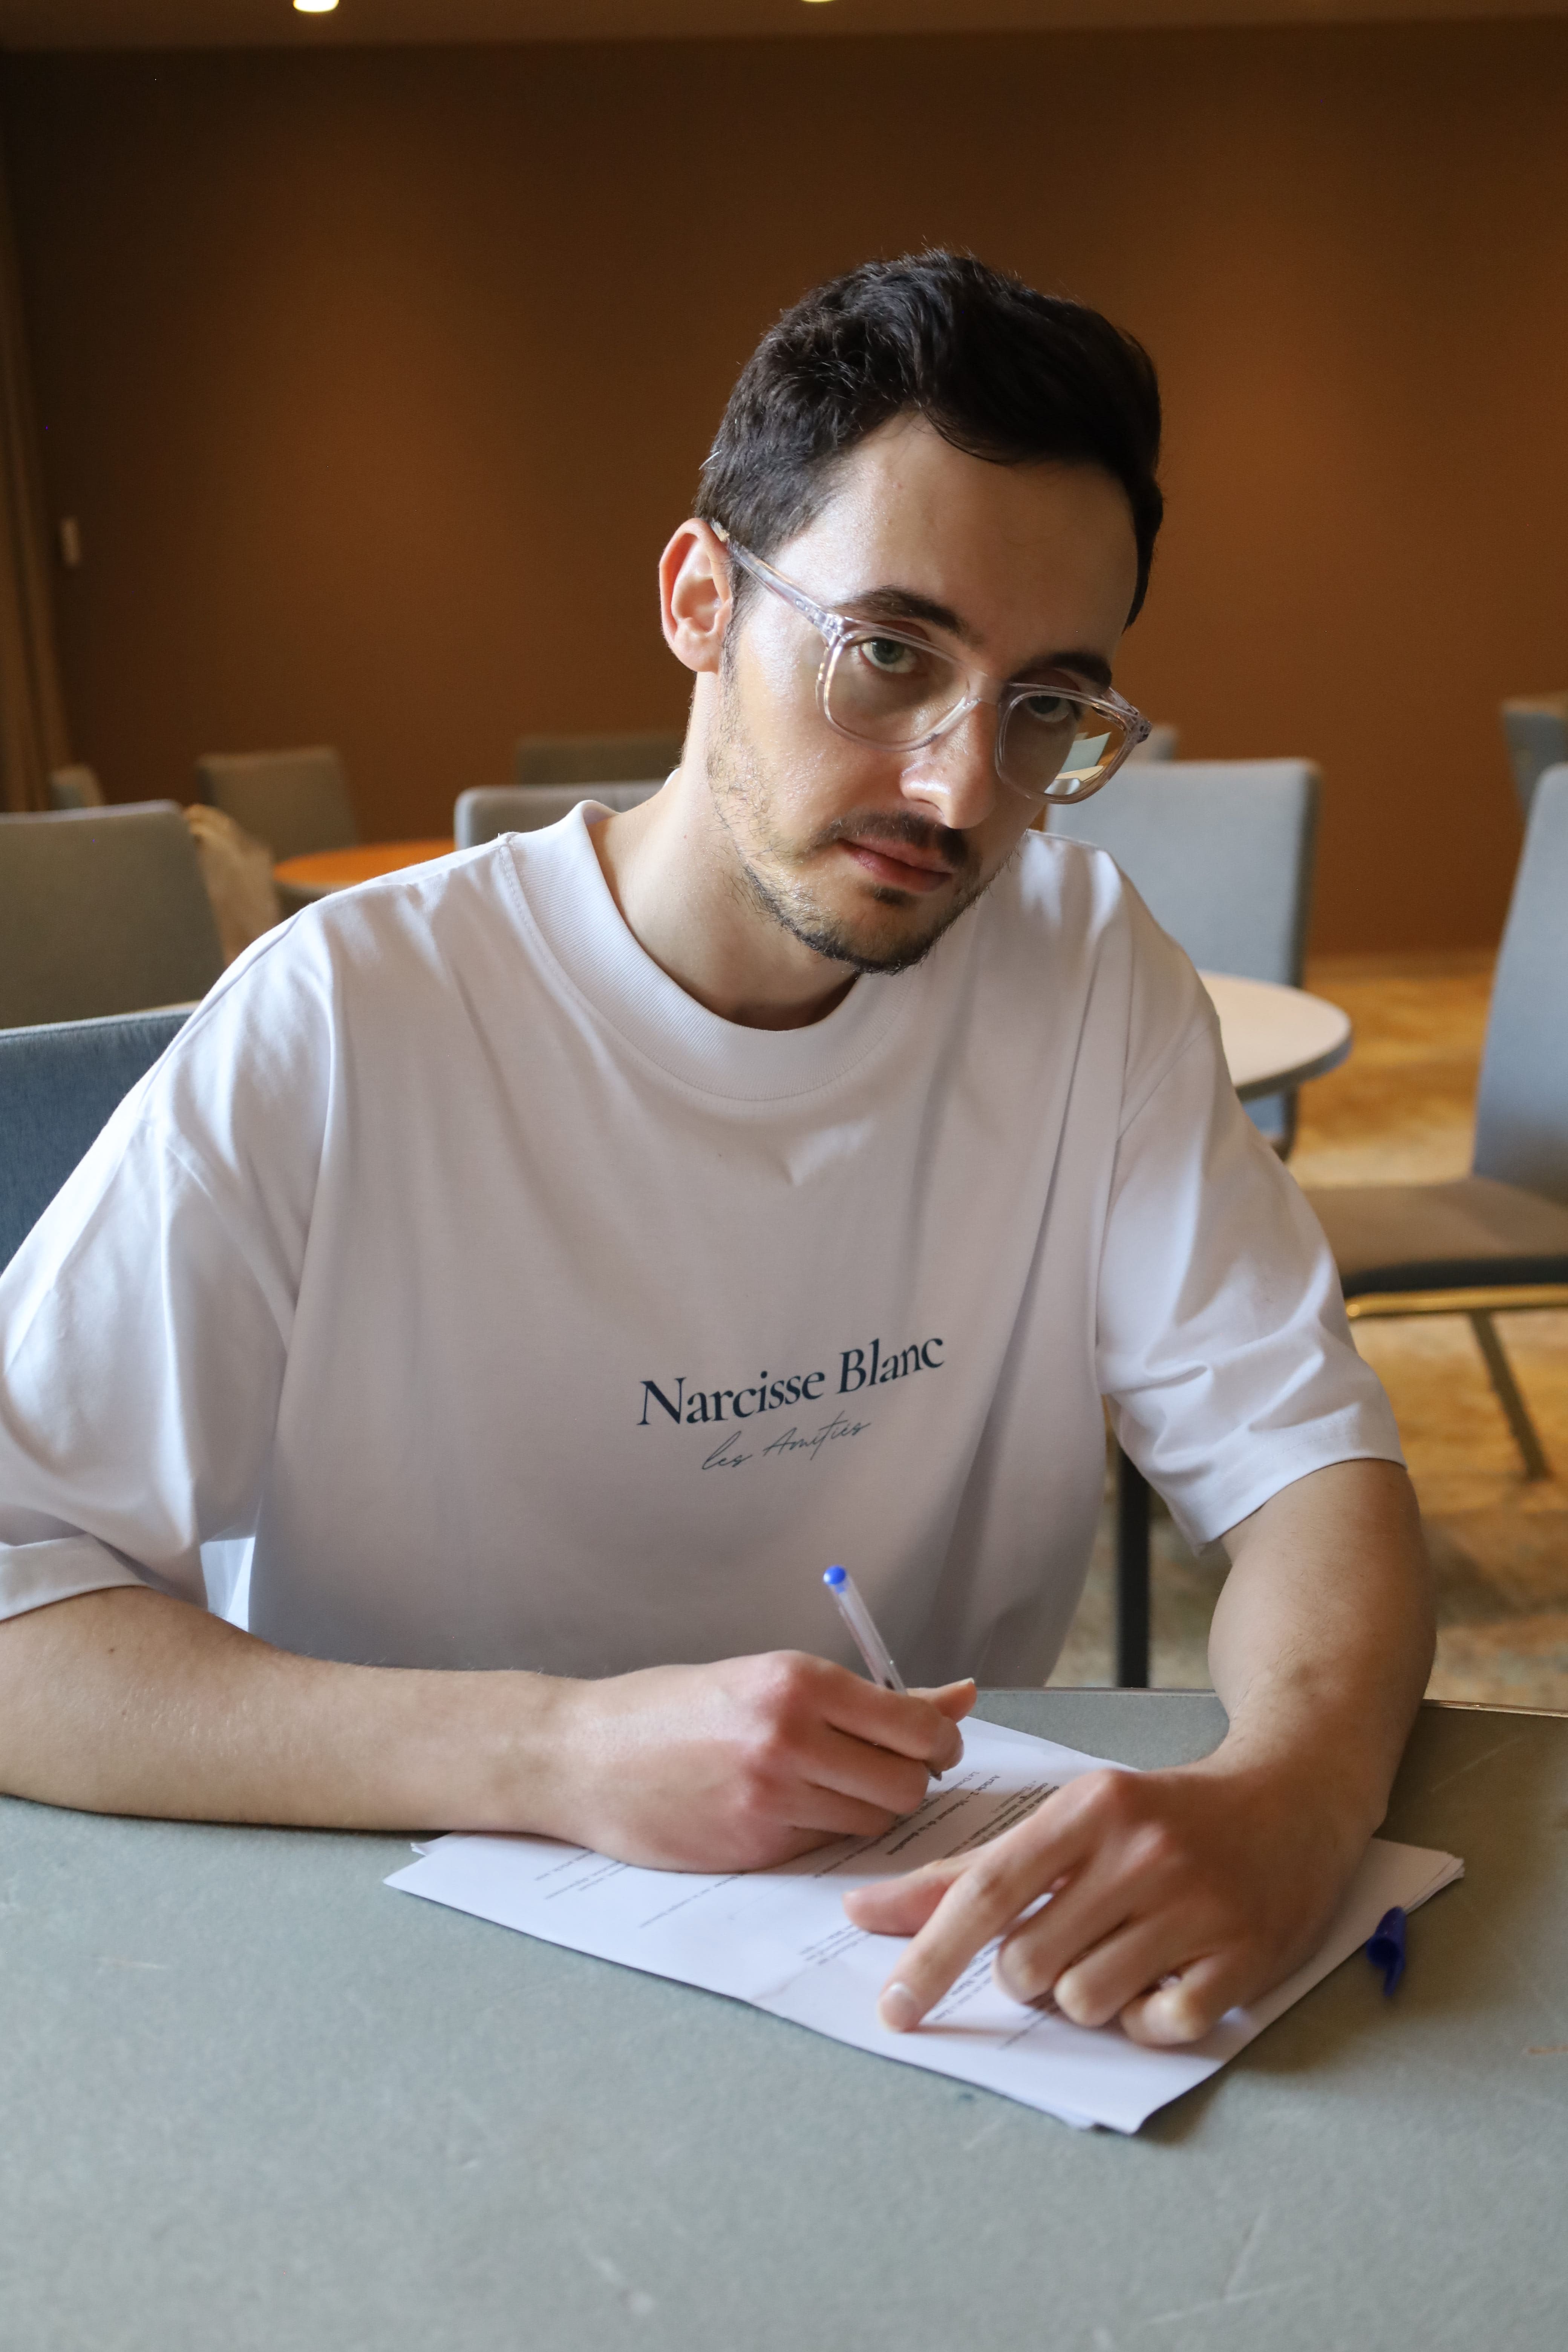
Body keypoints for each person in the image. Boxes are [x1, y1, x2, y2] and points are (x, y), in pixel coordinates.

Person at [0, 253, 1432, 2049]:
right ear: (698, 598)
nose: (954, 787)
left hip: (911, 1994)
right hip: (377, 1978)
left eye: (1045, 706)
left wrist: (1295, 1793)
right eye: (887, 654)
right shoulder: (347, 1019)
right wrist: (555, 1748)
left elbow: (1307, 1464)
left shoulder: (1078, 970)